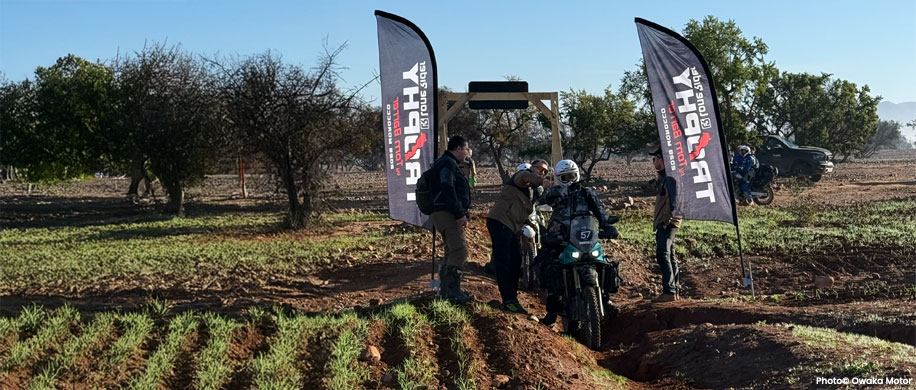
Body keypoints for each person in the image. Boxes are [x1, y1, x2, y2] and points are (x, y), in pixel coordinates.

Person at [535, 159, 619, 326]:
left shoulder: (586, 192)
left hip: (583, 236)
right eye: (564, 177)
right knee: (547, 265)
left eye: (571, 176)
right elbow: (545, 199)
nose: (569, 180)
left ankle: (606, 300)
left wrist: (606, 225)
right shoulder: (555, 192)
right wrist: (560, 191)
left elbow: (599, 210)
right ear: (559, 178)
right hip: (560, 237)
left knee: (604, 263)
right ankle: (552, 313)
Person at [486, 159, 551, 314]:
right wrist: (543, 181)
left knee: (516, 262)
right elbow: (526, 177)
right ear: (532, 168)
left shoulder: (534, 191)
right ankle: (508, 300)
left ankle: (512, 298)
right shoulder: (522, 177)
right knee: (504, 263)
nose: (542, 172)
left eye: (545, 172)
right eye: (540, 169)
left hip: (513, 226)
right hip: (500, 221)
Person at [431, 136, 473, 304]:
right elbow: (447, 187)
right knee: (460, 251)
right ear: (457, 149)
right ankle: (452, 293)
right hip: (447, 213)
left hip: (442, 213)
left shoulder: (445, 162)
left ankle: (445, 290)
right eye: (466, 149)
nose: (467, 152)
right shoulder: (447, 164)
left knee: (450, 251)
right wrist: (458, 213)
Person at [650, 148, 681, 303]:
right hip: (668, 221)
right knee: (671, 255)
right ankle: (673, 290)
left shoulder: (669, 178)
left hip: (667, 223)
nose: (653, 162)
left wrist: (665, 220)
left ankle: (669, 291)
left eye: (655, 159)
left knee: (663, 255)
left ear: (662, 159)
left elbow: (672, 202)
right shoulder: (665, 177)